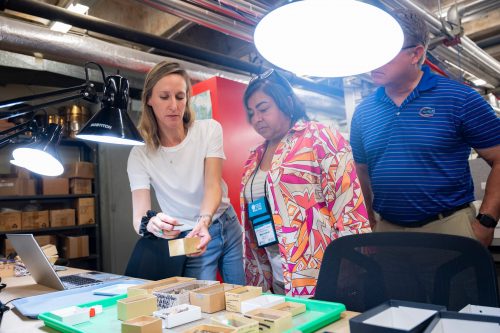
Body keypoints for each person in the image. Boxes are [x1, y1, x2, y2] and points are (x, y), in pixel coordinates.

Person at [350, 9, 500, 246]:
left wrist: (486, 222)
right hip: (387, 229)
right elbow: (361, 170)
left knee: (457, 285)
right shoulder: (363, 112)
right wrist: (367, 219)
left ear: (416, 53)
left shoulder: (459, 98)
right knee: (393, 285)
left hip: (449, 227)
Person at [240, 69, 370, 297]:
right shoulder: (254, 156)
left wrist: (352, 263)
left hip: (318, 270)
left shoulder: (319, 137)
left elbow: (348, 206)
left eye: (263, 109)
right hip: (274, 270)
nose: (256, 119)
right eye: (251, 113)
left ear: (287, 103)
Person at [127, 61, 245, 284]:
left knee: (239, 295)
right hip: (190, 236)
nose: (174, 105)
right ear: (149, 100)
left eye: (180, 97)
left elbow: (212, 185)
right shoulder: (140, 155)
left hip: (226, 223)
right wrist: (152, 226)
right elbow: (139, 217)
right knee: (199, 303)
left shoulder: (209, 130)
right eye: (164, 97)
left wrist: (204, 220)